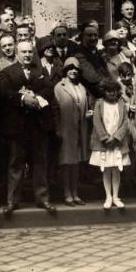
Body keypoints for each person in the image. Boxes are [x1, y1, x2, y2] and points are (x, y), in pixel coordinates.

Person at [0, 41, 56, 215]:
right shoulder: (7, 72)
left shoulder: (41, 71)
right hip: (18, 126)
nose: (27, 55)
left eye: (30, 52)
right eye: (23, 52)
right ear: (16, 53)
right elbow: (4, 92)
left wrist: (35, 97)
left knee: (40, 162)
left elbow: (49, 89)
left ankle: (43, 199)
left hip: (38, 126)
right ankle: (12, 201)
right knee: (16, 164)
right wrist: (22, 99)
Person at [89, 78, 130, 210]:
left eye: (114, 91)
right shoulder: (99, 103)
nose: (112, 93)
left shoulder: (121, 104)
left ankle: (116, 196)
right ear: (104, 92)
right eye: (109, 91)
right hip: (104, 142)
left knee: (116, 169)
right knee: (106, 169)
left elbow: (125, 122)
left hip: (117, 142)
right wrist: (105, 138)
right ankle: (108, 196)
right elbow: (97, 121)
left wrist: (116, 137)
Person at [54, 58, 90, 206]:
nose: (73, 71)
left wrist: (87, 113)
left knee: (76, 163)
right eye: (70, 68)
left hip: (80, 129)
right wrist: (58, 129)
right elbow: (55, 110)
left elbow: (83, 105)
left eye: (76, 69)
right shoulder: (59, 87)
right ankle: (67, 193)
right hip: (66, 128)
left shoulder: (81, 87)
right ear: (65, 70)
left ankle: (75, 193)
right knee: (66, 162)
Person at [73, 23, 110, 98]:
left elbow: (106, 72)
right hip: (88, 95)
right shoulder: (78, 52)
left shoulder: (97, 52)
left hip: (103, 92)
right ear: (83, 36)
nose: (93, 38)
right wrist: (111, 85)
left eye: (95, 35)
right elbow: (92, 77)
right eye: (89, 35)